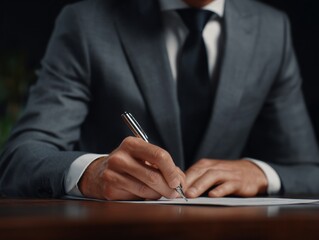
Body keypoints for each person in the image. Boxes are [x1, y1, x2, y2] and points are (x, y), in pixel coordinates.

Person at [0, 0, 319, 200]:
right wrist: (92, 173)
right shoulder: (86, 22)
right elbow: (19, 160)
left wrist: (261, 173)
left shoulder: (272, 30)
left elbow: (310, 171)